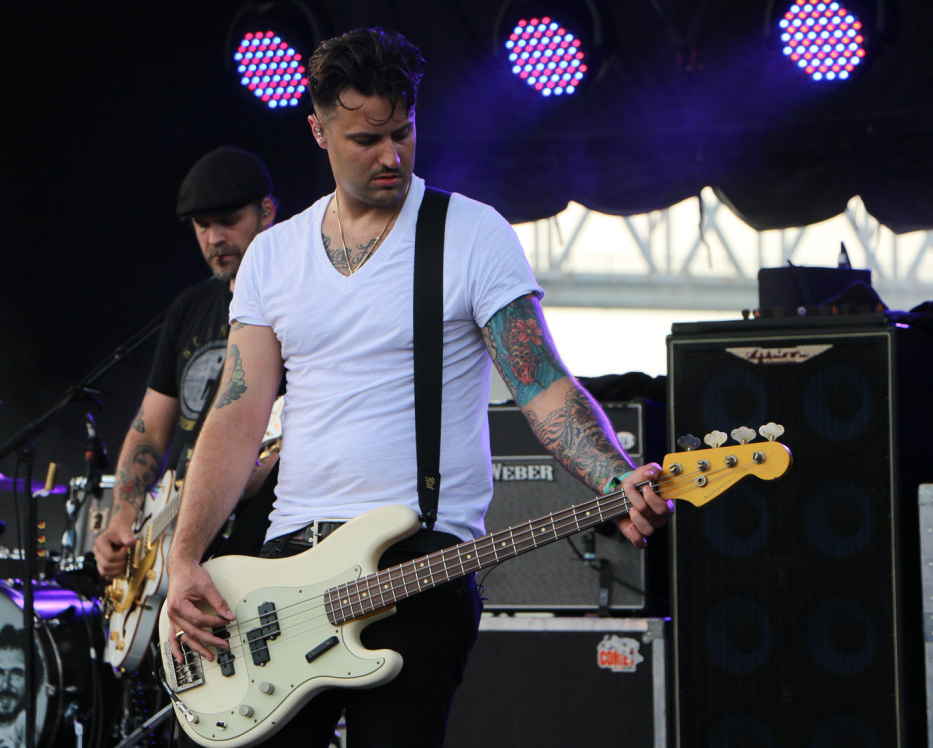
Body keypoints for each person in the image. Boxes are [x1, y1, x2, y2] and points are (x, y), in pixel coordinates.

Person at [163, 27, 673, 747]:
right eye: (365, 140)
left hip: (421, 567)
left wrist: (611, 475)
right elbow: (236, 416)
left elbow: (541, 384)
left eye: (402, 133)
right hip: (284, 572)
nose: (391, 156)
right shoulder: (275, 256)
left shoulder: (471, 235)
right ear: (318, 131)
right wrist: (186, 559)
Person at [93, 145, 280, 581]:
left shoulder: (293, 301)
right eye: (202, 226)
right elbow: (151, 427)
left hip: (263, 541)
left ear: (266, 211)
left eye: (229, 221)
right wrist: (124, 517)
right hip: (177, 533)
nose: (214, 238)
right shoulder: (189, 307)